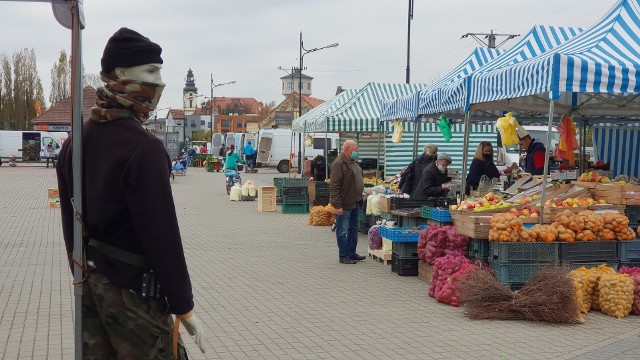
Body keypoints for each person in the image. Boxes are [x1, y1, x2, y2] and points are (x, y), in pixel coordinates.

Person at [55, 27, 206, 359]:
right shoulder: (143, 148)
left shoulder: (74, 143)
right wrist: (183, 304)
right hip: (136, 299)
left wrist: (80, 274)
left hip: (92, 289)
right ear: (121, 73)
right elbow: (162, 235)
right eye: (152, 70)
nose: (160, 81)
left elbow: (70, 224)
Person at [330, 140, 365, 264]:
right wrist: (337, 205)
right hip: (344, 203)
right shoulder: (339, 163)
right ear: (347, 149)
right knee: (342, 230)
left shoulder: (352, 162)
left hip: (355, 201)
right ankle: (343, 256)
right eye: (355, 149)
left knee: (353, 229)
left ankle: (351, 253)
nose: (357, 152)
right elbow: (334, 186)